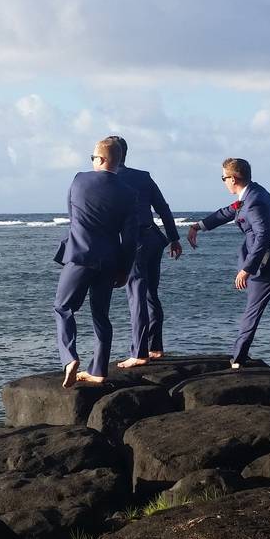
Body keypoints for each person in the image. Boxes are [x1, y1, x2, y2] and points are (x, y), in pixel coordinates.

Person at [187, 158, 270, 371]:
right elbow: (229, 211)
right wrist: (199, 226)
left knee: (252, 312)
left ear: (233, 178)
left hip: (269, 264)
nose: (223, 182)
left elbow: (263, 236)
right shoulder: (254, 193)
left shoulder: (253, 201)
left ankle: (238, 360)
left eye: (223, 178)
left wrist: (247, 269)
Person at [54, 137, 138, 387]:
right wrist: (125, 268)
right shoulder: (129, 193)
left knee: (63, 308)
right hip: (110, 259)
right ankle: (99, 369)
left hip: (80, 256)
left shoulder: (79, 180)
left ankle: (69, 357)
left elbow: (72, 217)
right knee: (101, 315)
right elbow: (130, 238)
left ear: (100, 159)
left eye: (93, 157)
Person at [107, 136, 183, 368]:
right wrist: (174, 238)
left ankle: (139, 353)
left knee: (136, 295)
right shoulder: (143, 176)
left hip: (135, 241)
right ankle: (155, 347)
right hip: (153, 239)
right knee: (150, 293)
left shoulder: (109, 179)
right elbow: (163, 208)